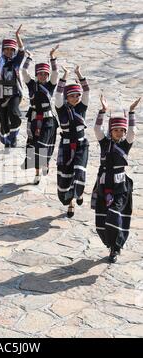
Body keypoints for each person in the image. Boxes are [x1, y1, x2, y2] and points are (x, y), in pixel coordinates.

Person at [91, 95, 141, 263]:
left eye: (122, 130)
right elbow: (97, 129)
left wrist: (132, 112)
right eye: (116, 130)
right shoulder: (104, 143)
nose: (119, 133)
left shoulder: (125, 145)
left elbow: (133, 132)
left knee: (114, 215)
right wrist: (102, 111)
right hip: (103, 185)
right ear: (111, 130)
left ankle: (116, 248)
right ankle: (111, 244)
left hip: (120, 188)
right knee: (101, 221)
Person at [21, 45, 59, 184]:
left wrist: (52, 58)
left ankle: (45, 163)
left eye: (45, 74)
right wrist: (29, 57)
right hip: (34, 119)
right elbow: (24, 71)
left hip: (48, 120)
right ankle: (37, 173)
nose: (43, 76)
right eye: (40, 73)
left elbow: (55, 73)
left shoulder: (51, 85)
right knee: (34, 145)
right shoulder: (31, 85)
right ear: (36, 74)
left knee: (43, 144)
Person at [55, 65, 90, 217]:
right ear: (66, 97)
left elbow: (87, 91)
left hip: (82, 145)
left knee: (79, 173)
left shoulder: (82, 107)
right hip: (66, 146)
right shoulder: (61, 109)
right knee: (66, 176)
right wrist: (65, 76)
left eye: (77, 95)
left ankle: (75, 200)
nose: (75, 98)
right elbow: (57, 94)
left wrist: (79, 74)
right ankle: (71, 200)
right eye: (72, 96)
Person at [0, 25, 25, 148]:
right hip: (1, 92)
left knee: (14, 112)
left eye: (11, 50)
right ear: (3, 50)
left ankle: (13, 136)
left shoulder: (17, 61)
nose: (9, 52)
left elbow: (22, 50)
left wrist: (17, 36)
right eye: (7, 49)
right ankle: (7, 140)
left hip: (15, 91)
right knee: (3, 116)